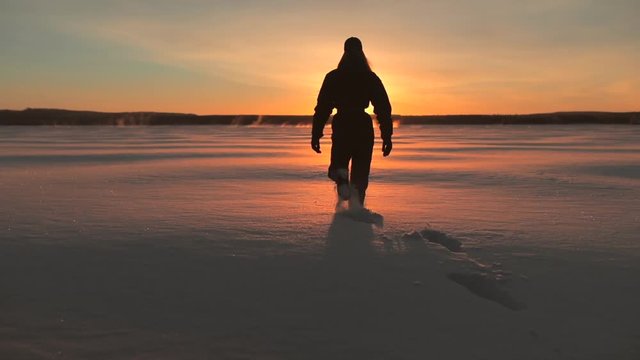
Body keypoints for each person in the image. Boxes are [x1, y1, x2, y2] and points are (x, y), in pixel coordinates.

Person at [311, 37, 393, 206]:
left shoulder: (334, 77)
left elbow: (323, 108)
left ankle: (344, 187)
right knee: (360, 174)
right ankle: (355, 209)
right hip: (361, 126)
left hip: (343, 124)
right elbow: (383, 108)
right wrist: (387, 136)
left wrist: (316, 133)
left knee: (340, 165)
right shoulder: (369, 77)